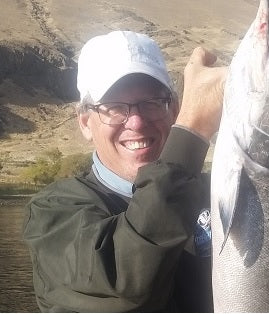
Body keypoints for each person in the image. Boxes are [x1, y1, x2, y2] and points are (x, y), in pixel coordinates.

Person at [23, 30, 227, 312]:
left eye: (152, 103)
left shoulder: (219, 194)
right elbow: (125, 288)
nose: (137, 122)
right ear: (85, 122)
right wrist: (193, 128)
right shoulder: (53, 213)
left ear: (174, 110)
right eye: (114, 108)